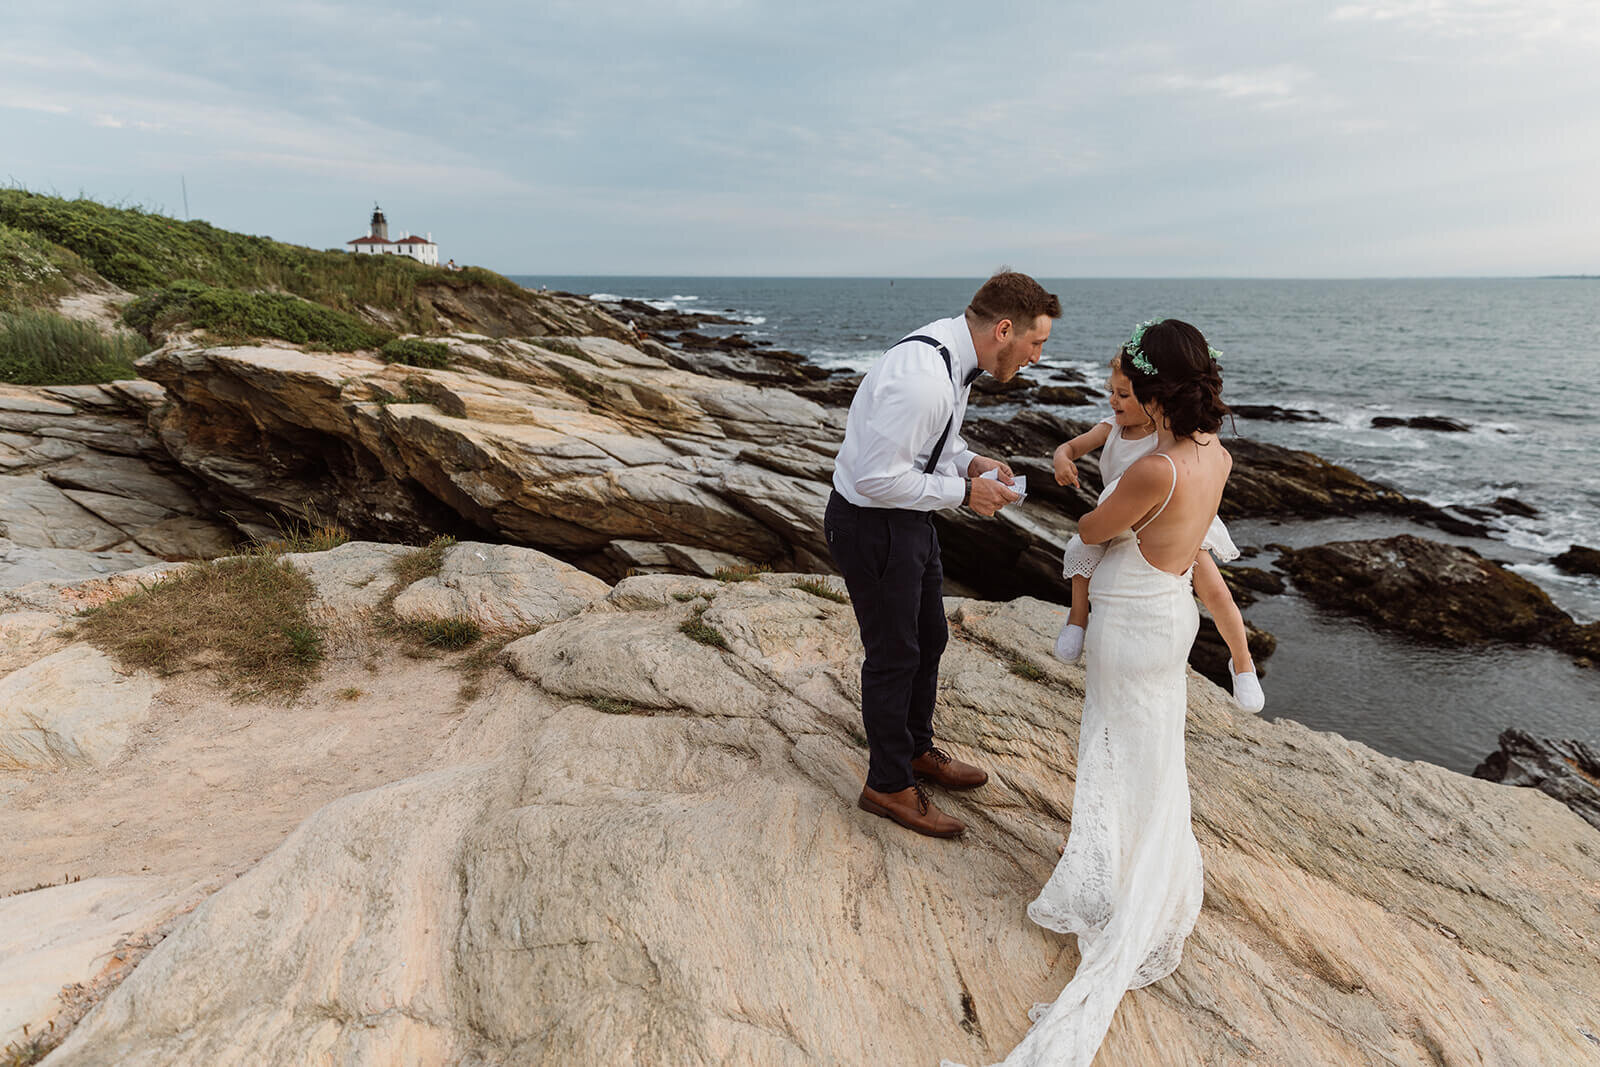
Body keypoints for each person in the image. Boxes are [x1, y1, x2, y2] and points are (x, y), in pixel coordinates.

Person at [959, 319, 1232, 1067]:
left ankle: (1117, 887)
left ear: (1153, 391)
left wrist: (1093, 507)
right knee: (1155, 755)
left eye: (1130, 390)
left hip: (1132, 626)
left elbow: (1092, 524)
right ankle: (1147, 872)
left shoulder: (1157, 469)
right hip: (1170, 619)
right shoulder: (1217, 454)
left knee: (1111, 749)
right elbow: (1196, 551)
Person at [825, 271, 1061, 839]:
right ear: (1005, 329)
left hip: (908, 521)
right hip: (874, 524)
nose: (1036, 357)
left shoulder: (954, 356)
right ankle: (886, 785)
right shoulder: (925, 379)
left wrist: (973, 462)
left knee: (930, 638)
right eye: (1037, 343)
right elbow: (879, 479)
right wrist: (965, 493)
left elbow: (935, 444)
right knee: (893, 656)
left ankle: (913, 751)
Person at [1051, 355, 1264, 711]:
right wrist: (1062, 458)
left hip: (1169, 520)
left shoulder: (1166, 439)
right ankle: (1077, 620)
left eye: (1124, 395)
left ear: (1153, 401)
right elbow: (1070, 447)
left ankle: (1242, 662)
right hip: (1122, 517)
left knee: (1214, 587)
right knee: (1079, 551)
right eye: (1111, 392)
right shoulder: (1110, 428)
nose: (1113, 401)